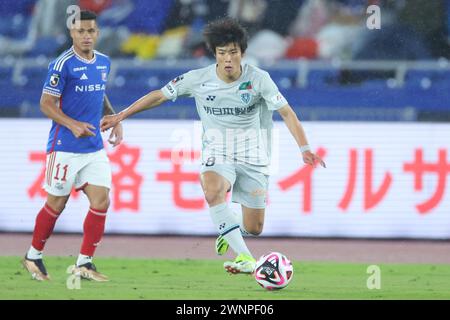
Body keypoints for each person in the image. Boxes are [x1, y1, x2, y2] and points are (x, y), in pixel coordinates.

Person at [100, 17, 325, 274]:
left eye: (233, 52)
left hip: (254, 156)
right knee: (213, 191)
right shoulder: (198, 79)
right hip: (218, 153)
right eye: (222, 53)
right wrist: (120, 115)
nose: (228, 58)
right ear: (215, 54)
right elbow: (158, 96)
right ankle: (245, 258)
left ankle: (228, 232)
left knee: (254, 228)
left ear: (242, 53)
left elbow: (286, 112)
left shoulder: (259, 79)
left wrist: (304, 148)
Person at [22, 10, 123, 282]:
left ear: (97, 33)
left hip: (93, 148)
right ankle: (33, 254)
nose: (87, 36)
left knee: (102, 201)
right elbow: (46, 104)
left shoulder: (103, 62)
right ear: (72, 33)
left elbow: (99, 92)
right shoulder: (62, 64)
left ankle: (84, 263)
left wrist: (113, 117)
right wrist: (73, 124)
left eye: (91, 31)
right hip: (64, 146)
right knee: (57, 203)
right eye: (81, 32)